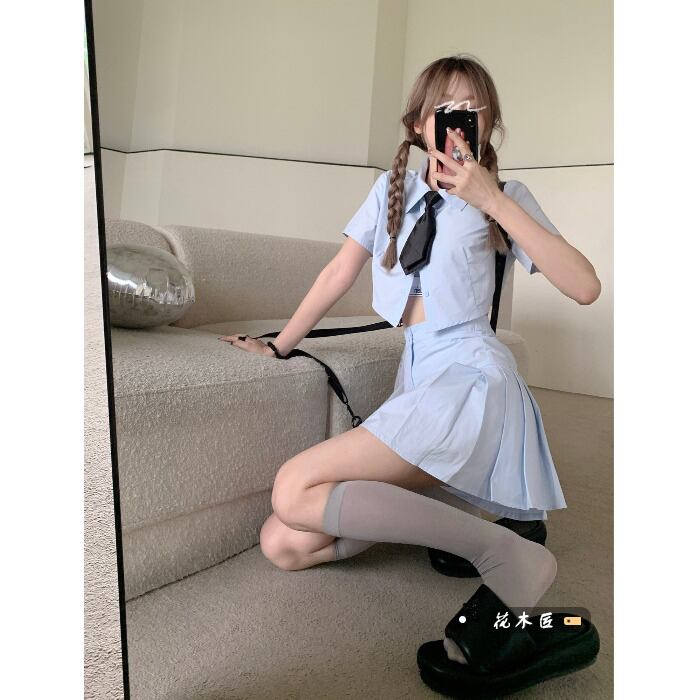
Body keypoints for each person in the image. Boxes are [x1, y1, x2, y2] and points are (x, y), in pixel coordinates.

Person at [219, 54, 601, 695]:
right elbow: (337, 272)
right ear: (419, 123)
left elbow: (585, 286)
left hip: (471, 379)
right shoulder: (389, 189)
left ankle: (507, 554)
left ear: (488, 126)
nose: (458, 120)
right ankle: (475, 524)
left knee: (293, 486)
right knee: (283, 542)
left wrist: (489, 197)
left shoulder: (503, 199)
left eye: (472, 110)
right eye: (444, 108)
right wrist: (279, 345)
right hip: (417, 378)